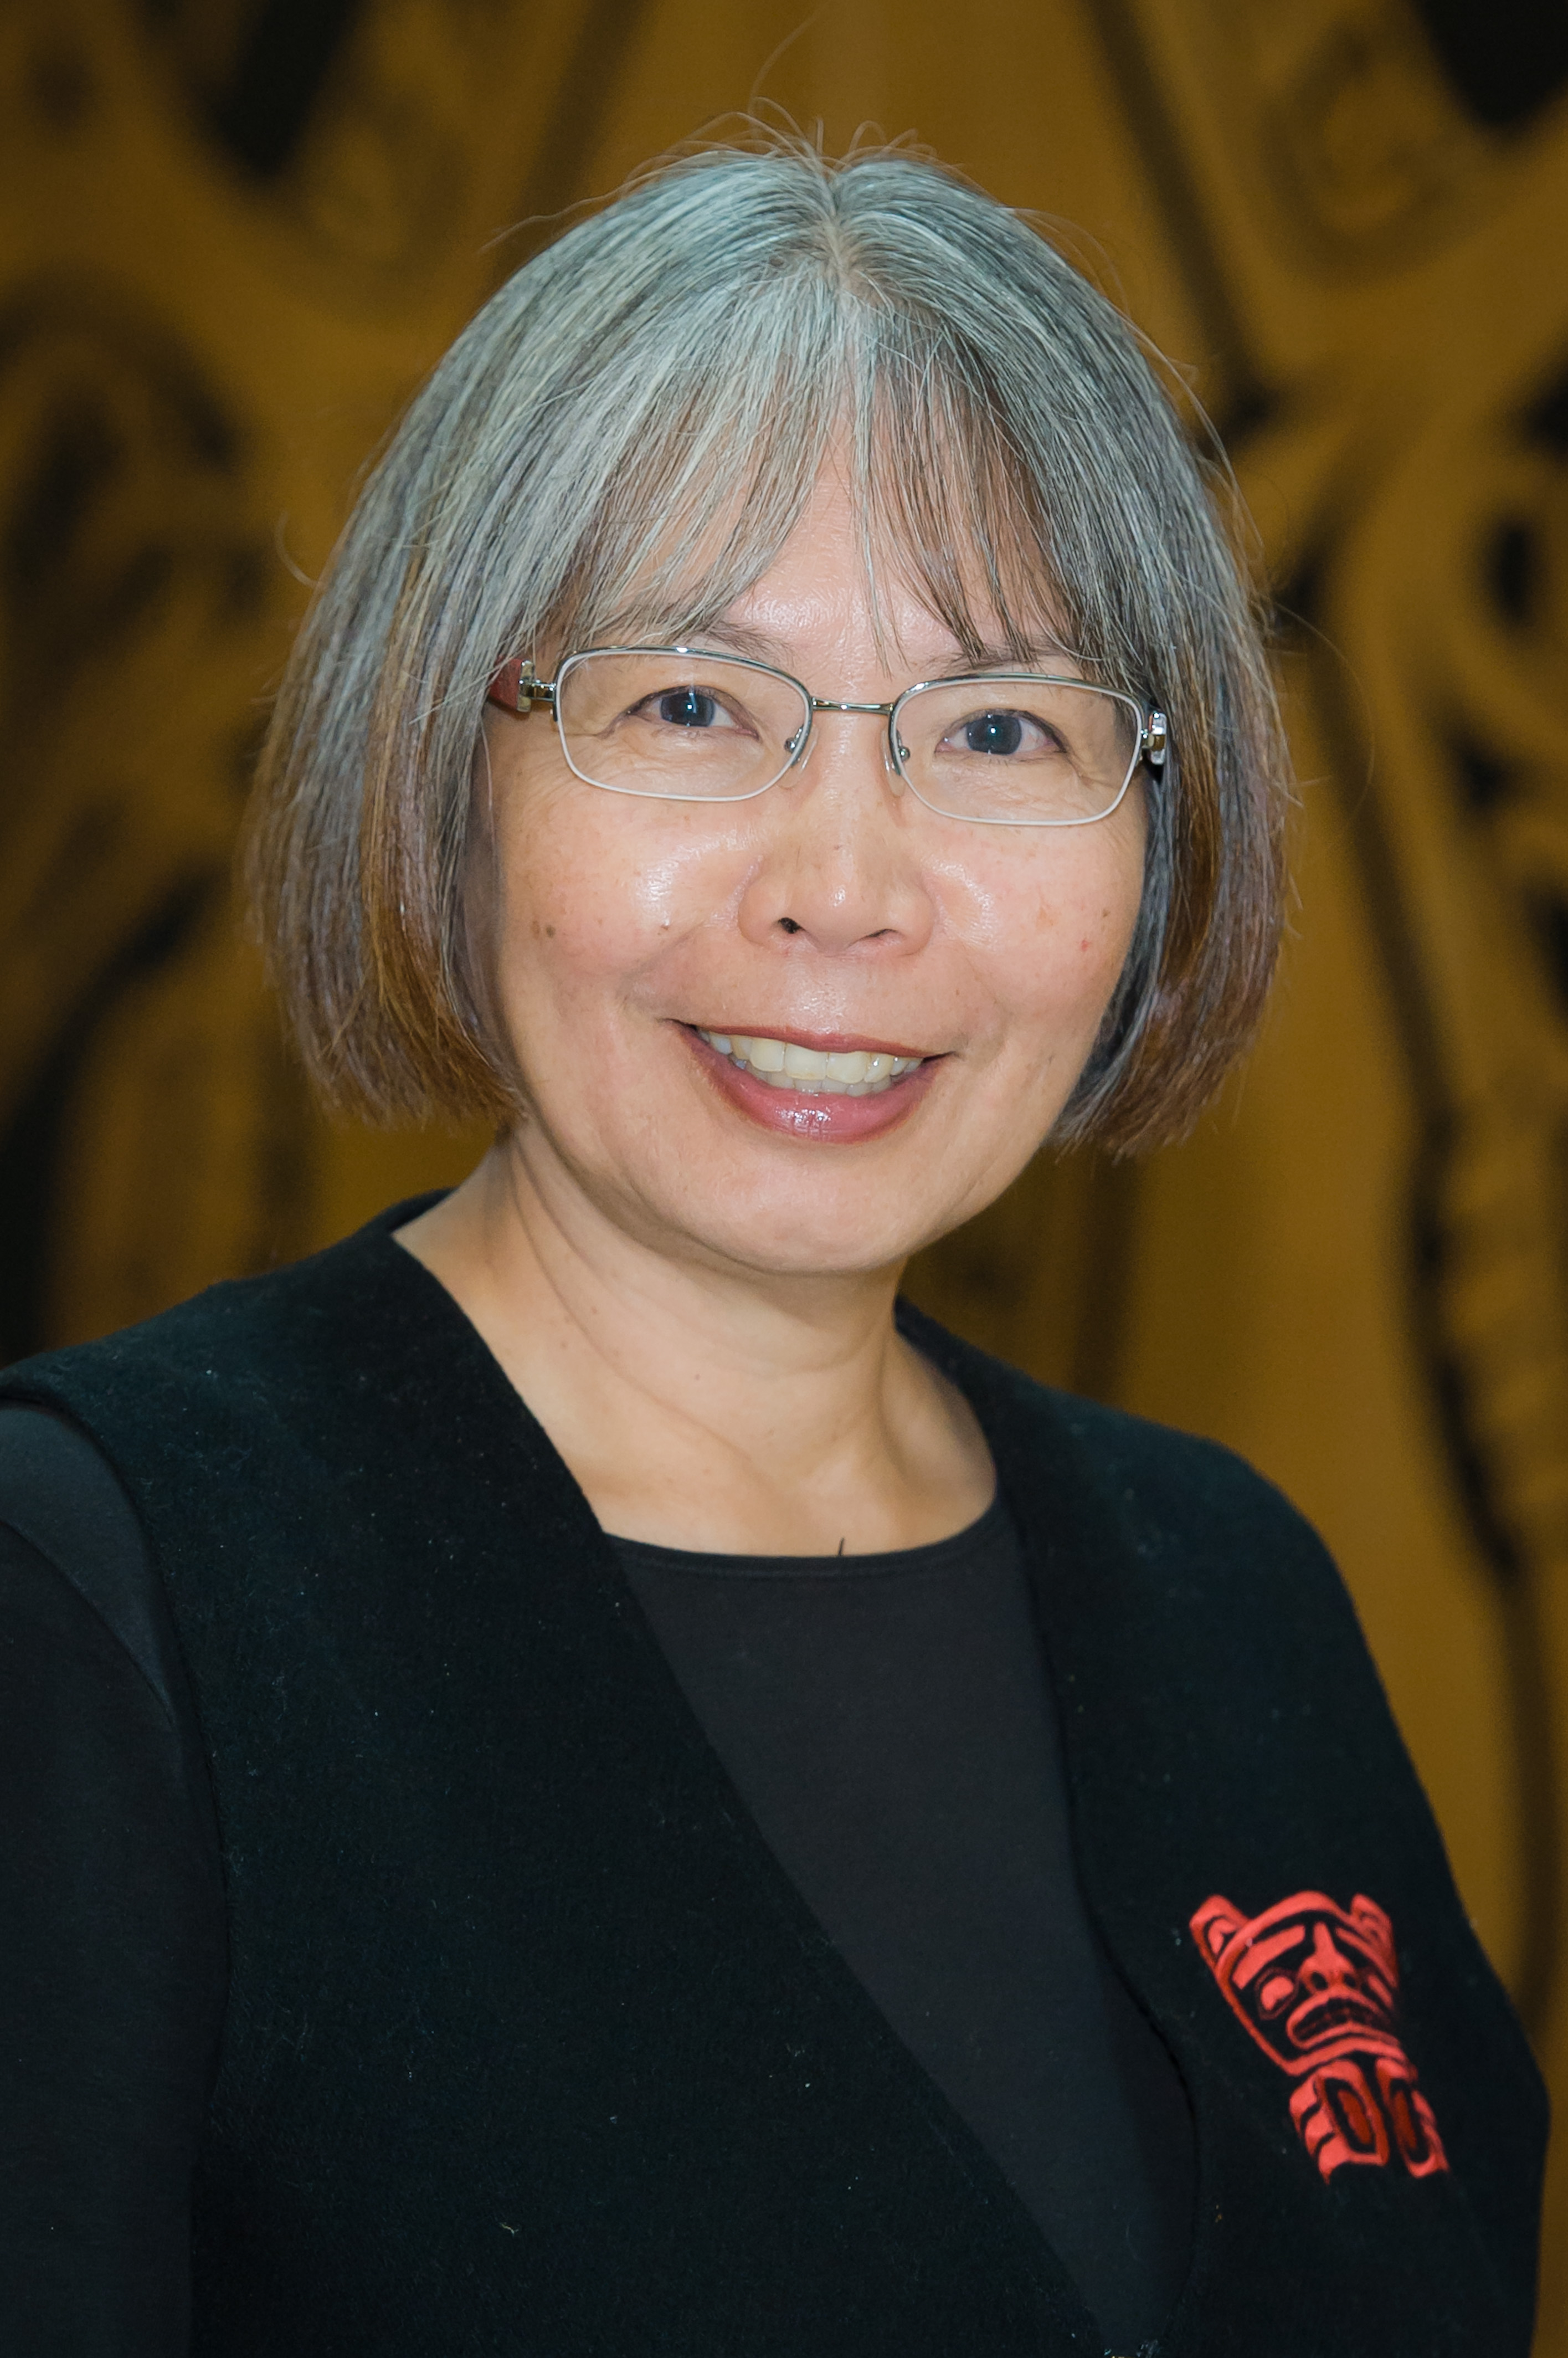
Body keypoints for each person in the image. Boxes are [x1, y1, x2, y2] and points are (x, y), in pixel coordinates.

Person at [0, 138, 1545, 2358]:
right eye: (695, 706)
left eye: (999, 727)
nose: (848, 882)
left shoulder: (1230, 1595)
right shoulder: (98, 1593)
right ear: (456, 765)